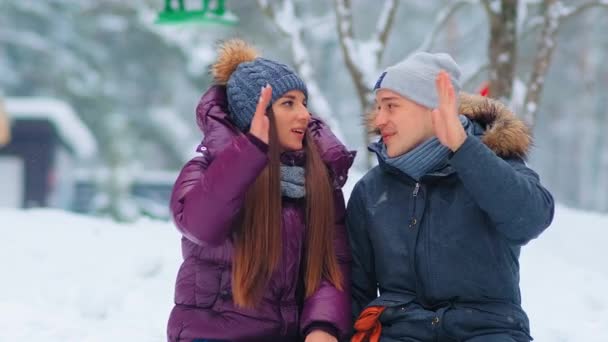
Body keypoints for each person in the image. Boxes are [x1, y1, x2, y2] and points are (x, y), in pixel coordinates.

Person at [347, 52, 555, 342]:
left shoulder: (494, 165)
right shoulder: (371, 191)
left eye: (391, 106)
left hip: (488, 331)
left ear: (432, 110)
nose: (379, 119)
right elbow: (355, 292)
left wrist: (463, 148)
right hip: (400, 332)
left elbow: (531, 219)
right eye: (378, 107)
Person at [166, 39, 355, 342]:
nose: (305, 115)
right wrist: (251, 151)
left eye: (304, 102)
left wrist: (323, 326)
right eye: (288, 103)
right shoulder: (205, 170)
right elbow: (201, 226)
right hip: (214, 334)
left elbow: (332, 265)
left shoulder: (318, 180)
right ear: (256, 113)